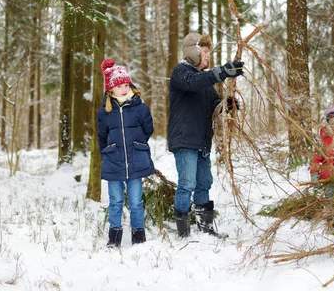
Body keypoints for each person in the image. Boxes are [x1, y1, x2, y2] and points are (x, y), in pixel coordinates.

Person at [168, 32, 244, 237]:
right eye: (204, 51)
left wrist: (227, 104)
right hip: (184, 139)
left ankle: (205, 228)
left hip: (202, 139)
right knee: (187, 183)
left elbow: (213, 106)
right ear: (193, 52)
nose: (208, 56)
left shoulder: (205, 81)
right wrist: (221, 72)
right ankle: (183, 232)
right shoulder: (181, 73)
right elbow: (193, 82)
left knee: (204, 182)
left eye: (209, 52)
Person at [97, 59, 154, 247]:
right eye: (119, 85)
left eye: (126, 84)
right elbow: (102, 137)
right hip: (114, 161)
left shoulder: (139, 107)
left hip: (135, 160)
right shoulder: (105, 112)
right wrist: (108, 153)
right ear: (110, 89)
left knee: (136, 201)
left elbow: (148, 129)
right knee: (115, 201)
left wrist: (137, 145)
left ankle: (139, 238)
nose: (123, 89)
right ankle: (114, 239)